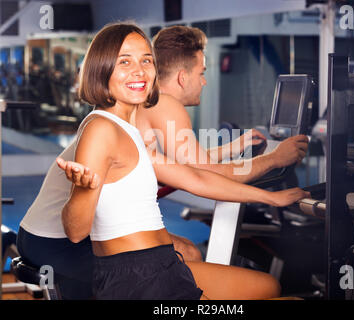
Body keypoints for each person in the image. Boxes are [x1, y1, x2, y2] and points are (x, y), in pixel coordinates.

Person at [21, 21, 309, 300]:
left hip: (145, 262)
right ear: (102, 69)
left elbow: (194, 174)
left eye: (147, 61)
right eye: (125, 62)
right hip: (81, 251)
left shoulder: (130, 127)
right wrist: (273, 159)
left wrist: (271, 197)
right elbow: (76, 230)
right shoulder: (109, 126)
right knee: (194, 256)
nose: (140, 71)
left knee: (263, 285)